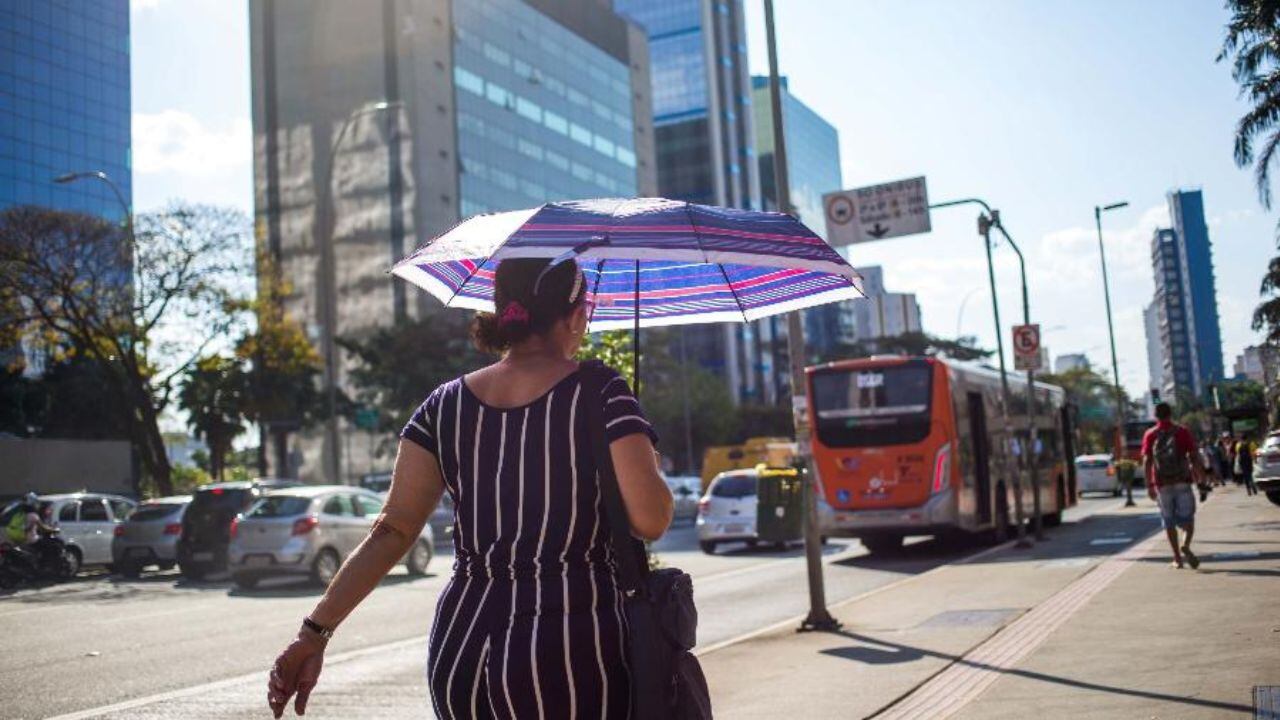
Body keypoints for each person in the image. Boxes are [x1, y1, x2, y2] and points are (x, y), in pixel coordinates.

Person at [266, 257, 673, 719]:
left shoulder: (443, 404)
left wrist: (313, 634)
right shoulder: (600, 390)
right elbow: (651, 519)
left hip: (462, 647)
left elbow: (392, 530)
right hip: (568, 647)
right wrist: (647, 461)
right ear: (578, 316)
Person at [1141, 403, 1203, 569]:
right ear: (1171, 413)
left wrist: (1149, 485)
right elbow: (1194, 456)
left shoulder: (1150, 434)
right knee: (1188, 519)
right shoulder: (1182, 431)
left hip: (1162, 484)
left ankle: (1177, 558)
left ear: (1156, 416)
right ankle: (1186, 545)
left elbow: (1147, 461)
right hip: (1182, 481)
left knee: (1168, 521)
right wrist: (1200, 478)